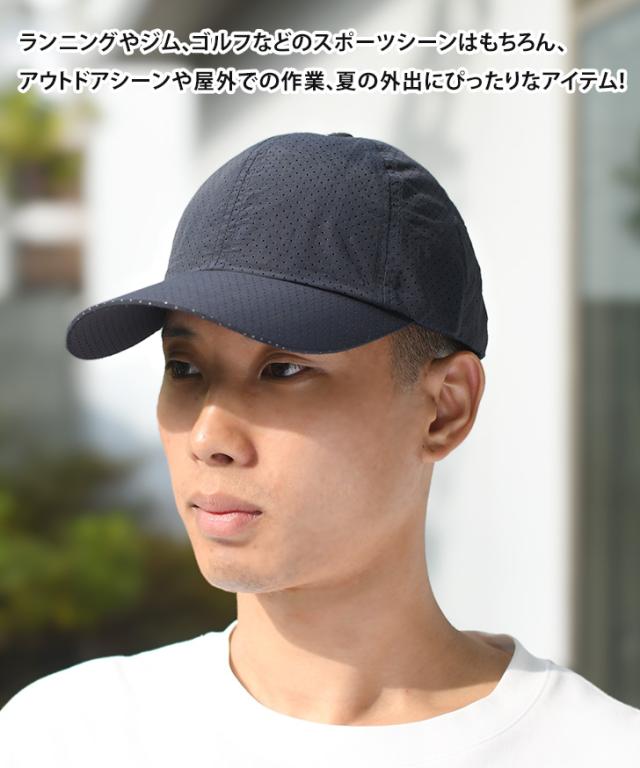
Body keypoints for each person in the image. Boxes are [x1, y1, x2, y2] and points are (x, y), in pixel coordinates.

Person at [0, 131, 638, 766]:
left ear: (445, 409)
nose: (209, 437)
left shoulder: (597, 751)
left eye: (282, 370)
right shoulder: (66, 737)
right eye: (184, 369)